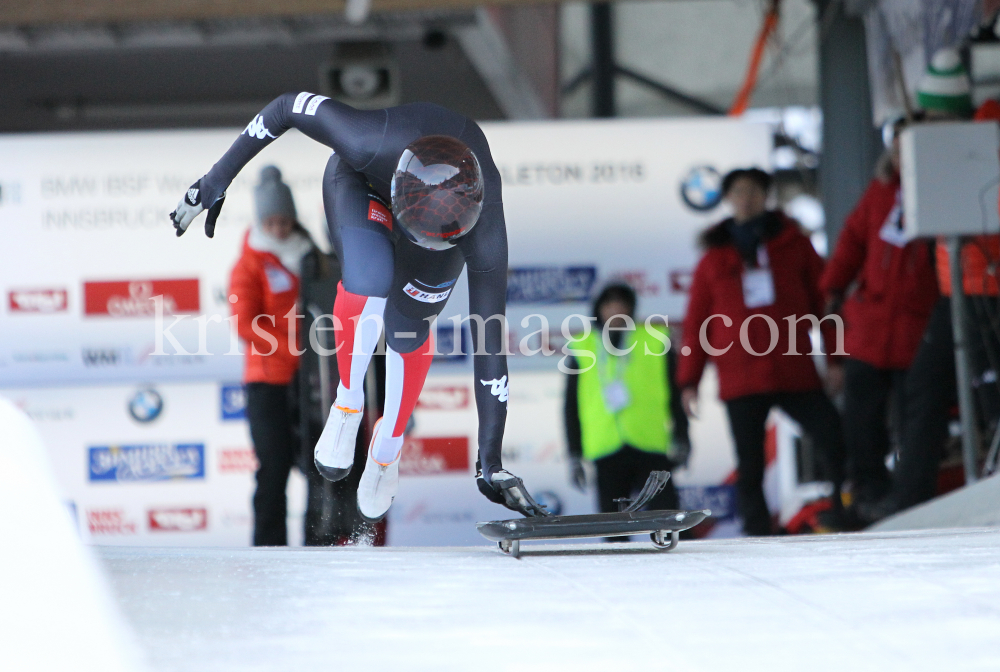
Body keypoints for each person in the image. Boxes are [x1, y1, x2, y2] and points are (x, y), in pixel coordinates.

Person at [171, 93, 543, 522]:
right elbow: (284, 107)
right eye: (416, 236)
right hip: (360, 183)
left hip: (435, 217)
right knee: (373, 278)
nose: (416, 246)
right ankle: (347, 407)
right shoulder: (366, 139)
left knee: (410, 324)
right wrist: (216, 179)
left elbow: (489, 348)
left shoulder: (486, 237)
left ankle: (387, 449)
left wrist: (490, 462)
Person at [858, 52, 1000, 522]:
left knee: (985, 391)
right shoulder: (942, 147)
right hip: (956, 287)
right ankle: (911, 496)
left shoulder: (982, 138)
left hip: (986, 284)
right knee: (929, 388)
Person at [677, 168, 846, 535]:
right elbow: (696, 324)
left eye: (754, 190)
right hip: (740, 375)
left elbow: (824, 306)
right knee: (750, 462)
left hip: (793, 369)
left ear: (766, 195)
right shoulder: (712, 259)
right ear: (727, 198)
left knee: (834, 436)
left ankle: (840, 508)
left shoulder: (795, 245)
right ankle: (757, 530)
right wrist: (688, 382)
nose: (746, 197)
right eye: (738, 191)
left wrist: (837, 360)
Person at [820, 119, 939, 513]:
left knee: (914, 422)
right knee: (862, 421)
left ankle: (909, 493)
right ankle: (868, 491)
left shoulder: (941, 189)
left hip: (918, 327)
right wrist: (834, 285)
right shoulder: (880, 193)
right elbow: (853, 240)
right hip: (870, 329)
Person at [228, 165, 327, 546]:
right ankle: (269, 550)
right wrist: (295, 349)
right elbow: (244, 323)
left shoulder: (312, 256)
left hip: (313, 380)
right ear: (260, 221)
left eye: (285, 221)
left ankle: (320, 542)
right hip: (267, 382)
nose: (279, 229)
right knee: (273, 469)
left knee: (321, 468)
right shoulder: (248, 263)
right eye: (271, 222)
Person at [563, 283, 689, 531]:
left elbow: (676, 394)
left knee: (669, 520)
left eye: (622, 304)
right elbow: (570, 405)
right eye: (610, 305)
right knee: (613, 530)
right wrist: (574, 454)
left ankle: (679, 566)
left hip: (649, 443)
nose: (616, 311)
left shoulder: (655, 339)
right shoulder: (581, 346)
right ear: (598, 309)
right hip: (605, 447)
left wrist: (682, 436)